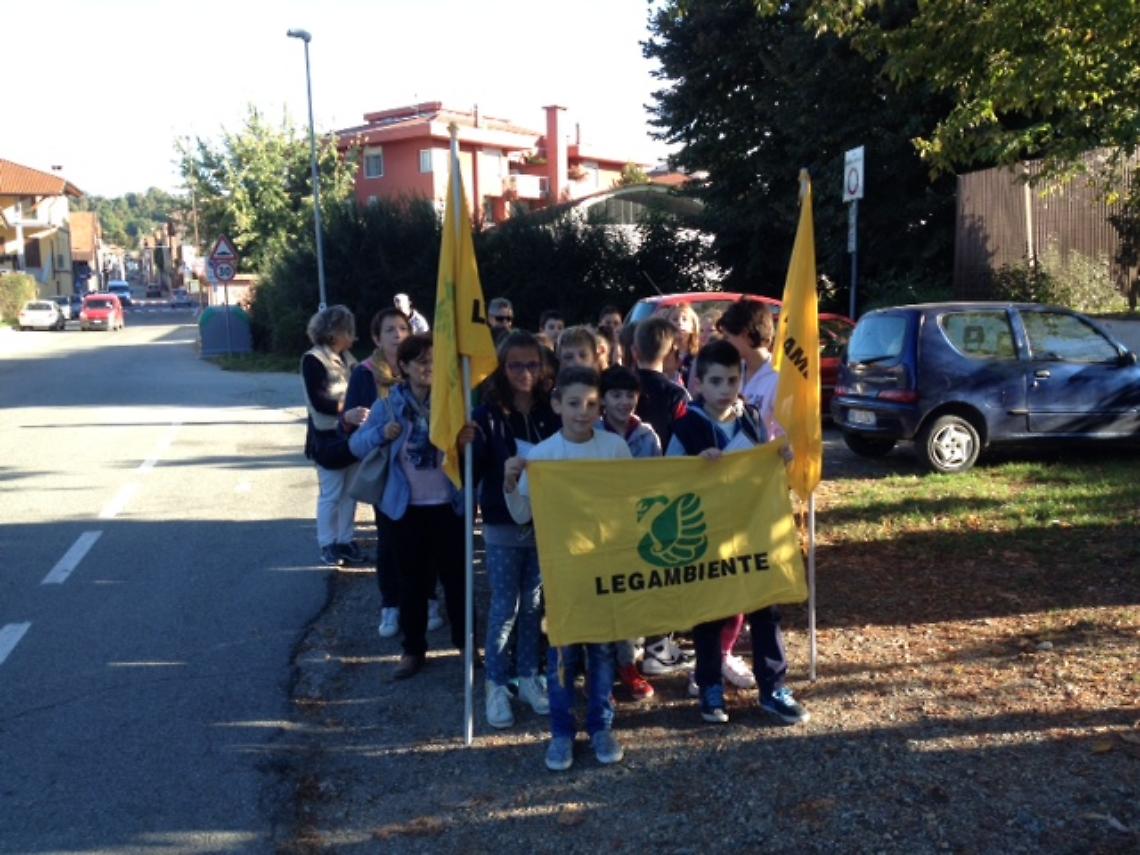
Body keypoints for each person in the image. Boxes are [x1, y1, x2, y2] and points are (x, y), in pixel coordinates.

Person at [666, 339, 809, 726]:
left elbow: (762, 467)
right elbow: (665, 478)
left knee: (765, 607)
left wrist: (778, 458)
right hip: (707, 537)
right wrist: (695, 466)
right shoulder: (687, 424)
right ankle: (710, 683)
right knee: (710, 612)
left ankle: (773, 687)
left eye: (732, 379)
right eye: (716, 381)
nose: (725, 389)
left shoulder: (751, 417)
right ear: (698, 383)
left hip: (751, 532)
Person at [504, 366, 631, 771]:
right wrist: (510, 482)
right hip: (561, 577)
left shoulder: (614, 448)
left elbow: (634, 501)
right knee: (561, 658)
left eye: (592, 404)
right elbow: (523, 513)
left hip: (605, 568)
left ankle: (601, 727)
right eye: (574, 403)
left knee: (603, 655)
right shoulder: (541, 457)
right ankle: (561, 732)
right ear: (557, 404)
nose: (583, 412)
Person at [348, 334, 474, 680]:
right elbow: (356, 444)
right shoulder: (387, 405)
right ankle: (413, 649)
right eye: (420, 361)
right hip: (405, 509)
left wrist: (465, 442)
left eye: (433, 361)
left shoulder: (452, 404)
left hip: (449, 506)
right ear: (403, 366)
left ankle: (465, 645)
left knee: (457, 581)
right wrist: (381, 434)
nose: (428, 368)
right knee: (412, 583)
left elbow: (471, 449)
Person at [471, 331, 560, 729]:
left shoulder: (552, 411)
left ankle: (528, 676)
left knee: (534, 604)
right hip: (503, 523)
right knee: (505, 605)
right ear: (502, 369)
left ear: (543, 367)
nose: (524, 373)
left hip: (546, 522)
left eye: (532, 364)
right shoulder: (487, 414)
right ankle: (496, 681)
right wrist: (464, 445)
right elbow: (471, 471)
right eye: (515, 365)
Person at [344, 307, 444, 639]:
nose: (397, 334)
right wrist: (376, 426)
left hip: (426, 476)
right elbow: (355, 424)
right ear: (376, 337)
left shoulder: (426, 373)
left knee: (427, 545)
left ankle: (426, 599)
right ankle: (391, 604)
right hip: (387, 472)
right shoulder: (366, 373)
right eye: (389, 329)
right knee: (389, 542)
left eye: (402, 327)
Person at [630, 316, 694, 675]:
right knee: (660, 573)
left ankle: (637, 645)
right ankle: (656, 646)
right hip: (664, 498)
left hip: (621, 498)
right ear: (672, 352)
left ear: (634, 350)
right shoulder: (677, 394)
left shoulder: (618, 387)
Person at [597, 366, 660, 701]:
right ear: (603, 399)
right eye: (615, 395)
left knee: (629, 602)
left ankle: (627, 665)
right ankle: (599, 668)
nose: (624, 402)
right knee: (600, 601)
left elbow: (659, 482)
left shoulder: (647, 436)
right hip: (597, 532)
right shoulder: (589, 432)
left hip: (636, 533)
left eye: (629, 395)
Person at [301, 305, 369, 567]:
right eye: (349, 331)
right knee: (331, 493)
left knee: (350, 492)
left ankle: (345, 540)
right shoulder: (313, 359)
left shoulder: (348, 358)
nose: (353, 336)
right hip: (327, 436)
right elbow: (318, 401)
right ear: (335, 332)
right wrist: (348, 411)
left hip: (352, 433)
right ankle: (327, 544)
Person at [717, 299, 783, 440]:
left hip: (763, 460)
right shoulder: (731, 371)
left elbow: (784, 436)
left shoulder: (779, 377)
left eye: (728, 337)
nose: (725, 343)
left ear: (745, 335)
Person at [667, 302, 701, 387]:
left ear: (693, 326)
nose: (679, 323)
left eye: (685, 319)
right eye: (675, 319)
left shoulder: (699, 353)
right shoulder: (664, 353)